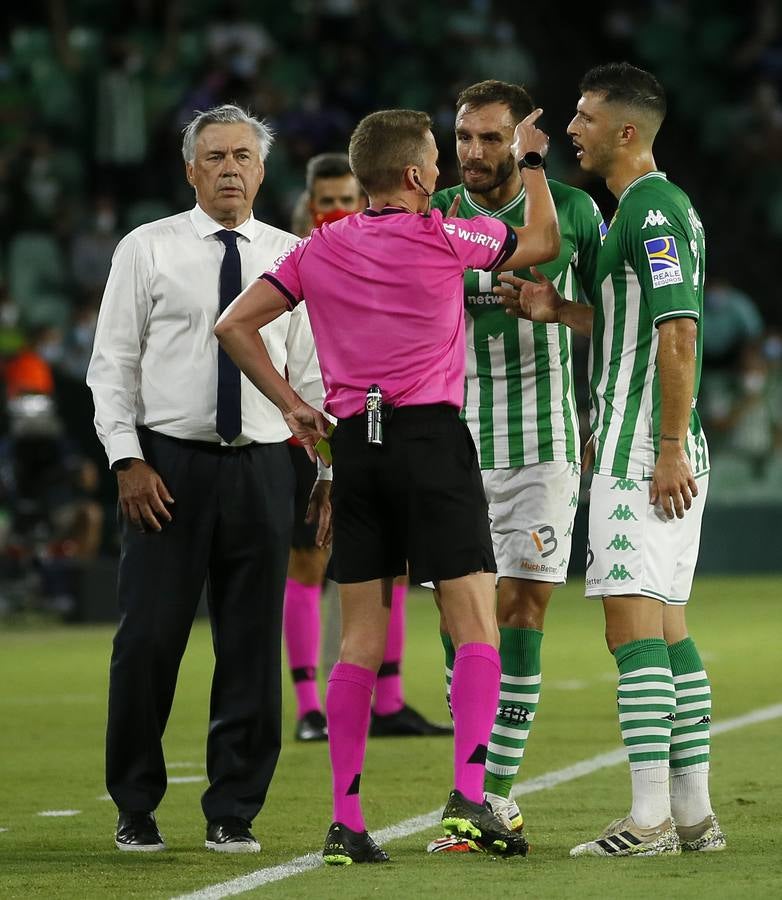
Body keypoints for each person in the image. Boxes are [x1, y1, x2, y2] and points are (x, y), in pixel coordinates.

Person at [215, 106, 559, 864]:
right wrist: (531, 165)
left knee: (361, 640)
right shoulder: (443, 235)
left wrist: (296, 408)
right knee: (475, 622)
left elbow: (234, 326)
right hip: (432, 442)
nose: (441, 168)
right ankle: (472, 800)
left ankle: (346, 821)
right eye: (435, 157)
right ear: (413, 176)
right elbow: (543, 242)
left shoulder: (318, 248)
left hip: (356, 451)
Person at [498, 63, 725, 857]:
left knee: (631, 631)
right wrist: (559, 308)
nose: (572, 129)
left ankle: (650, 819)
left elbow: (679, 333)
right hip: (656, 443)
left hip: (644, 449)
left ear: (627, 131)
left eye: (586, 117)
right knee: (667, 628)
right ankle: (693, 817)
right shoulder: (651, 209)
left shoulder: (654, 211)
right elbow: (636, 320)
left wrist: (661, 448)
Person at [87, 104, 326, 854]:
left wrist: (323, 471)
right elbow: (112, 367)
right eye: (215, 156)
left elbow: (315, 374)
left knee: (252, 648)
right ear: (191, 170)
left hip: (264, 466)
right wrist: (127, 460)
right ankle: (134, 804)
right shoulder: (146, 249)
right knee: (150, 642)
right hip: (167, 468)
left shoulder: (295, 255)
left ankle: (234, 809)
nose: (229, 168)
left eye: (242, 156)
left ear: (262, 170)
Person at [428, 79, 606, 843]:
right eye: (464, 137)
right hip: (450, 443)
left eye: (491, 138)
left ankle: (492, 795)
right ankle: (473, 782)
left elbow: (615, 315)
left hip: (544, 444)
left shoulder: (572, 210)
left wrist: (559, 314)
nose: (474, 152)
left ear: (521, 141)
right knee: (459, 620)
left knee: (522, 609)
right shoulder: (433, 213)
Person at [285, 152, 452, 742]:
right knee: (308, 561)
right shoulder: (295, 258)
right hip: (302, 432)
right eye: (324, 200)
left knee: (394, 565)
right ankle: (309, 707)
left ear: (360, 202)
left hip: (364, 427)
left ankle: (390, 701)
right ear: (311, 205)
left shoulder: (370, 257)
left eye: (344, 199)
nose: (334, 209)